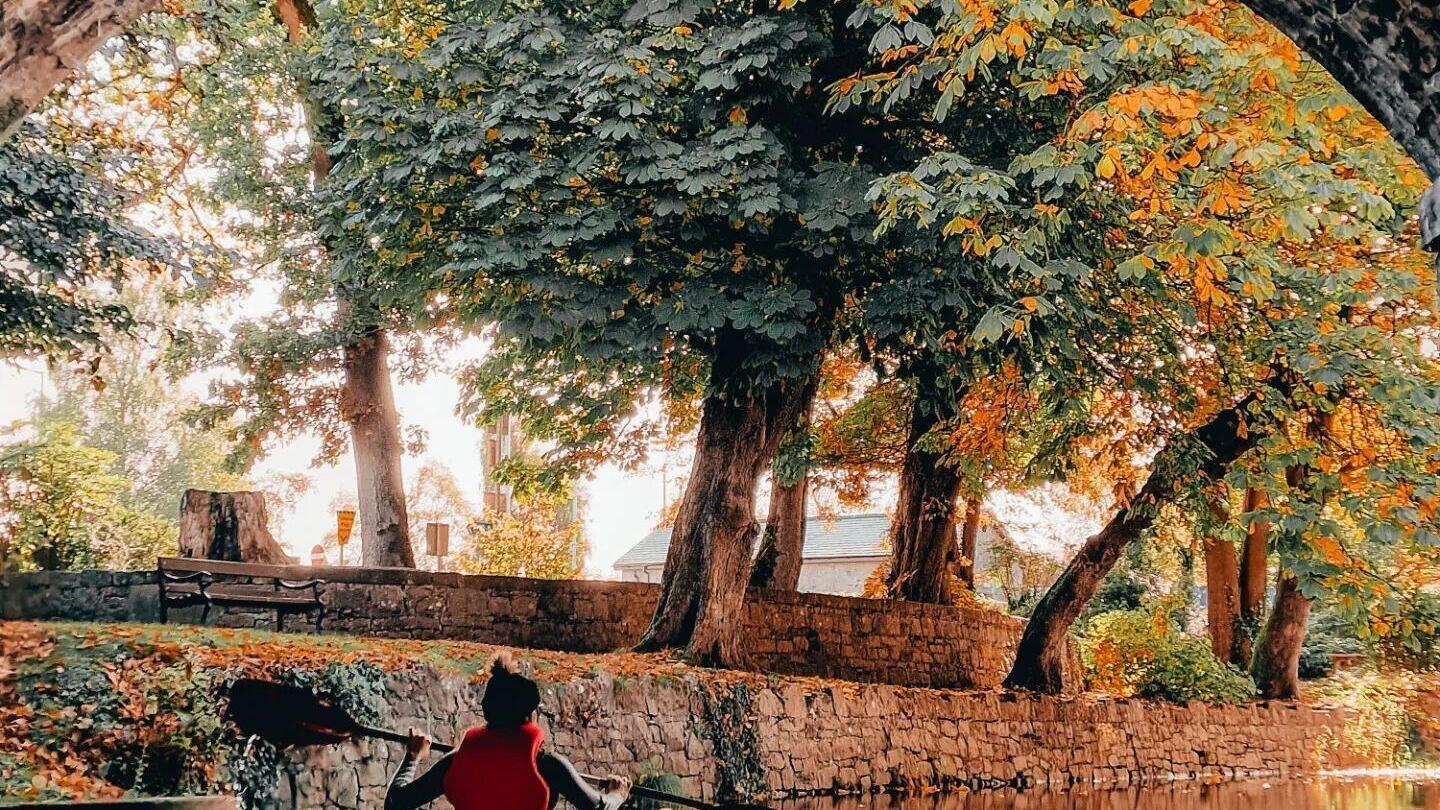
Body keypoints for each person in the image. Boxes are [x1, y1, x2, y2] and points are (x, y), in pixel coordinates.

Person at [385, 651, 632, 810]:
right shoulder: (548, 766)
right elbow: (599, 808)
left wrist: (412, 757)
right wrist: (618, 794)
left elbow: (395, 802)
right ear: (530, 716)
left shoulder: (457, 763)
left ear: (487, 711)